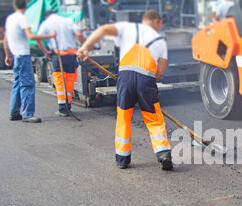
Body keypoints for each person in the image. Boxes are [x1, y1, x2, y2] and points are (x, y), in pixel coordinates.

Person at [77, 10, 173, 171]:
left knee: (123, 117)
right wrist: (147, 82)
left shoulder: (127, 28)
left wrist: (85, 47)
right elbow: (161, 71)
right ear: (157, 22)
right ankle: (163, 153)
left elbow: (102, 30)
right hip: (146, 80)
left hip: (126, 77)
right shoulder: (160, 41)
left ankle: (122, 158)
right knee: (154, 119)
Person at [3, 0, 56, 123]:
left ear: (14, 6)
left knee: (18, 83)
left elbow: (6, 39)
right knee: (27, 84)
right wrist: (50, 36)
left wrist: (8, 55)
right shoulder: (22, 18)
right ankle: (27, 114)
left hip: (16, 55)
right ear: (26, 6)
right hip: (23, 55)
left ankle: (14, 112)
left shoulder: (10, 19)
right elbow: (31, 36)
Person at [37, 10, 85, 117]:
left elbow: (38, 39)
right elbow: (79, 34)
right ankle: (68, 105)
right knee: (69, 80)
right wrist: (84, 48)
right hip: (71, 55)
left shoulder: (46, 24)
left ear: (46, 17)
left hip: (58, 55)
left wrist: (45, 52)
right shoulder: (67, 21)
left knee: (60, 81)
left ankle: (63, 108)